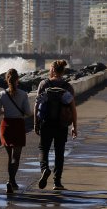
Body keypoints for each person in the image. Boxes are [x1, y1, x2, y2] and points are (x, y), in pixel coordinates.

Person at [34, 60, 77, 190]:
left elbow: (37, 104)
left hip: (46, 123)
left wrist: (36, 123)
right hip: (62, 125)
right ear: (63, 71)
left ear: (52, 70)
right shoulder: (67, 86)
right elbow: (73, 108)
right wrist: (75, 126)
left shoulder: (44, 84)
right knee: (59, 152)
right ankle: (57, 182)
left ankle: (45, 169)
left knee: (43, 149)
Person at [0, 68, 32, 194]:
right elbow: (28, 112)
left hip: (6, 126)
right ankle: (11, 181)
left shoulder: (1, 94)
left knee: (9, 156)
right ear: (18, 80)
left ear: (6, 79)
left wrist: (7, 110)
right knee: (16, 157)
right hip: (18, 125)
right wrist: (19, 111)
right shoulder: (23, 94)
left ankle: (11, 181)